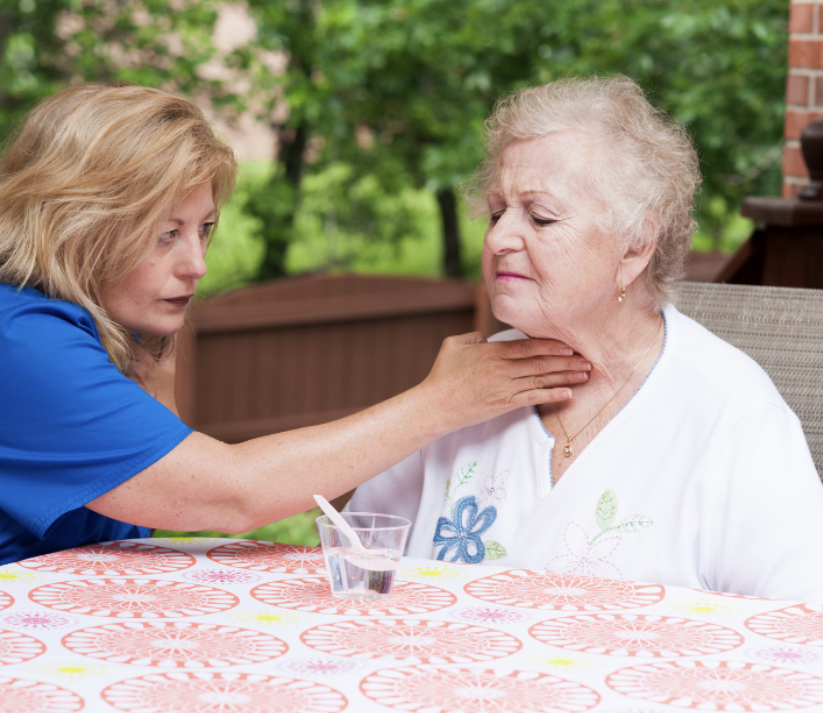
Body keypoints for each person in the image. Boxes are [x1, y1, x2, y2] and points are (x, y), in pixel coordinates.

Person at [0, 83, 588, 635]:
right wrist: (441, 401)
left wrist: (149, 342)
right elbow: (225, 493)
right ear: (79, 219)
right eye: (164, 233)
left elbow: (149, 504)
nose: (197, 264)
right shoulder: (8, 335)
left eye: (203, 229)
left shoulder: (72, 322)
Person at [348, 75, 823, 601]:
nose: (498, 237)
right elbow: (358, 554)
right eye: (498, 211)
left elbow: (802, 633)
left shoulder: (733, 417)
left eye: (541, 216)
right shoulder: (463, 386)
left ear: (635, 247)